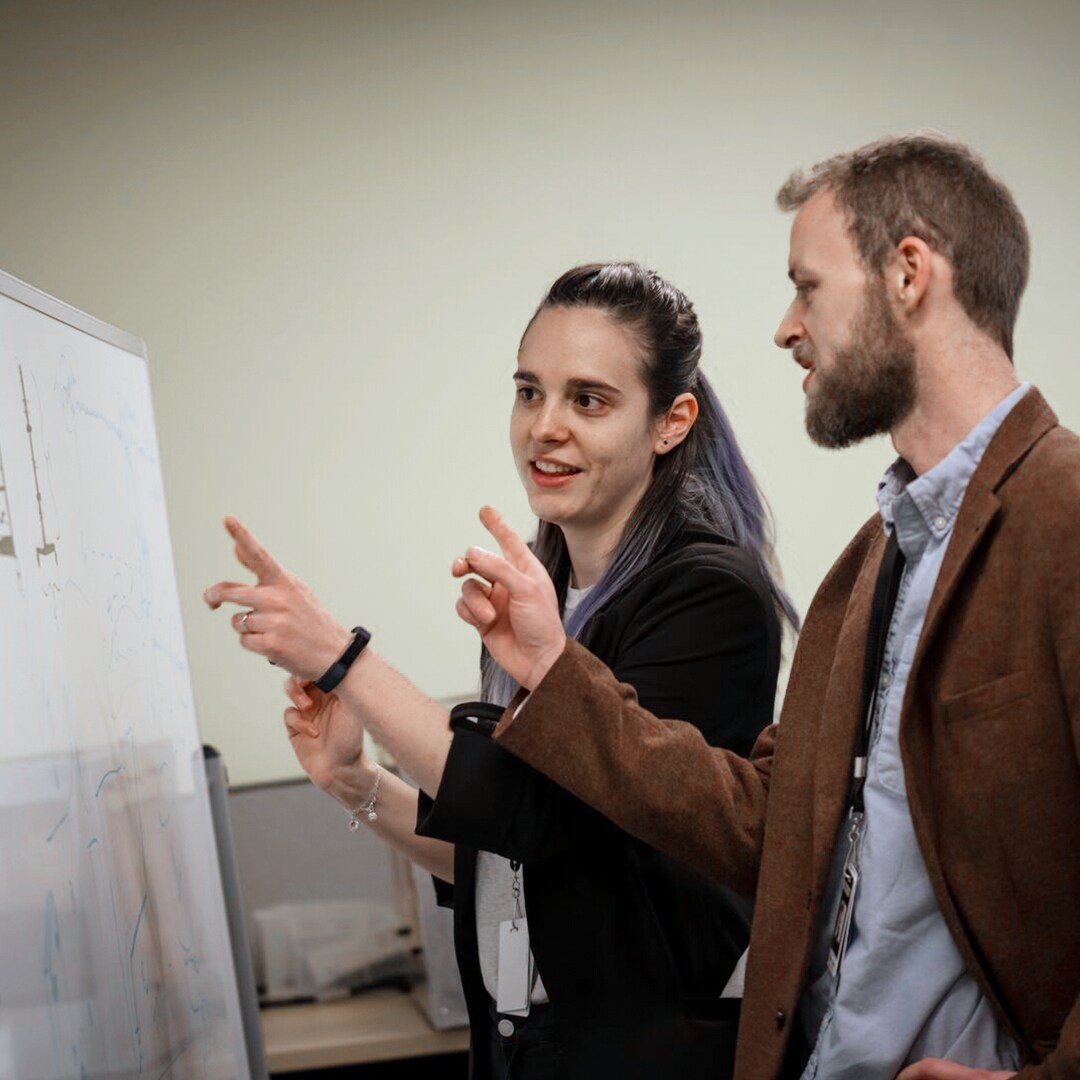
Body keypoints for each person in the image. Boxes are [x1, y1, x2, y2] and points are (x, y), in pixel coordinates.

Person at [453, 135, 1080, 1080]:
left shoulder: (1063, 515)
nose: (787, 327)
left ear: (908, 273)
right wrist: (552, 669)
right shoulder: (870, 566)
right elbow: (765, 826)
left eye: (808, 286)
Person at [204, 262, 798, 1079]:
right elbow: (512, 856)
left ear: (671, 422)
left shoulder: (708, 595)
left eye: (588, 400)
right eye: (529, 392)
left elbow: (544, 818)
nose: (544, 427)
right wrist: (354, 782)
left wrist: (345, 661)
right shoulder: (538, 589)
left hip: (646, 1053)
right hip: (526, 1046)